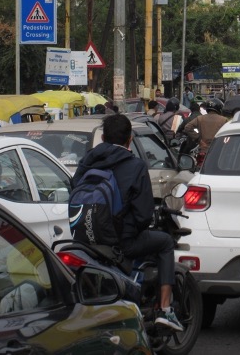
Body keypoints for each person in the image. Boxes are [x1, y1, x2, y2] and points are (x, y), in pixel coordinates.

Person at [72, 114, 183, 331]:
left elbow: (75, 189)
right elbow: (143, 215)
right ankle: (166, 310)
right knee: (165, 243)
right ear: (130, 139)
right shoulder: (135, 166)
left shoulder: (87, 161)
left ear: (103, 137)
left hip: (85, 240)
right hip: (122, 243)